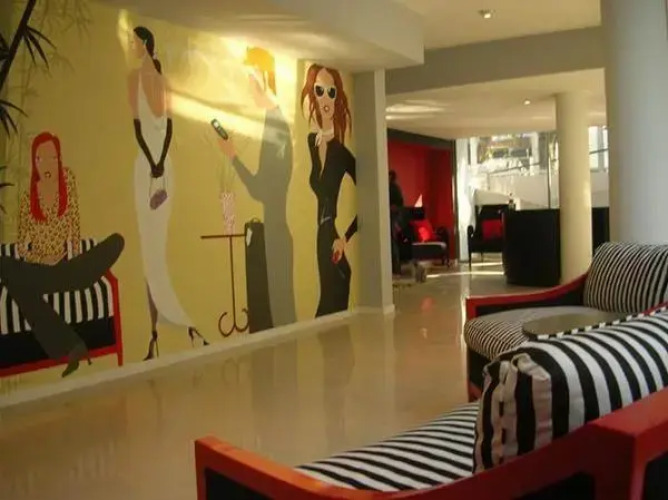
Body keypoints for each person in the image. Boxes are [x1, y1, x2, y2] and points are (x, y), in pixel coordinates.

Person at [0, 132, 124, 377]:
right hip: (41, 272)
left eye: (52, 158)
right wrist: (40, 259)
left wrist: (73, 255)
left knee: (117, 241)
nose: (47, 164)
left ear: (58, 160)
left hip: (69, 269)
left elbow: (74, 228)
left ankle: (72, 344)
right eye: (40, 159)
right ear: (34, 162)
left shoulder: (67, 182)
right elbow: (22, 248)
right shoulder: (27, 199)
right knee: (5, 264)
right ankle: (71, 344)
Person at [128, 26, 207, 360]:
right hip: (154, 166)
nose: (131, 46)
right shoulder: (140, 80)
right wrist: (157, 162)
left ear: (145, 44)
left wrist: (155, 164)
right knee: (150, 249)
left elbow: (162, 127)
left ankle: (162, 329)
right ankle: (157, 331)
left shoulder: (151, 80)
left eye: (134, 41)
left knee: (155, 248)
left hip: (155, 168)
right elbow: (145, 129)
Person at [217, 47, 296, 328]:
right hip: (275, 233)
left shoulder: (277, 127)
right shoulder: (273, 123)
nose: (249, 88)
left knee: (282, 316)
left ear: (262, 78)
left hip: (276, 236)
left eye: (251, 80)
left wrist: (233, 157)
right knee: (280, 314)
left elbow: (261, 190)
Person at [301, 64, 357, 317]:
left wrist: (344, 238)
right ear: (313, 95)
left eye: (331, 92)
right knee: (329, 295)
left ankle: (335, 338)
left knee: (336, 288)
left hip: (330, 233)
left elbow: (370, 198)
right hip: (321, 233)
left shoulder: (342, 154)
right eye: (319, 91)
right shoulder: (311, 143)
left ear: (337, 99)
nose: (325, 98)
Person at [389, 170, 404, 275]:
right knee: (392, 242)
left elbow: (399, 203)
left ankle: (395, 268)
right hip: (394, 217)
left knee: (392, 242)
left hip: (392, 217)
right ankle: (395, 268)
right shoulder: (395, 188)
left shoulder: (392, 188)